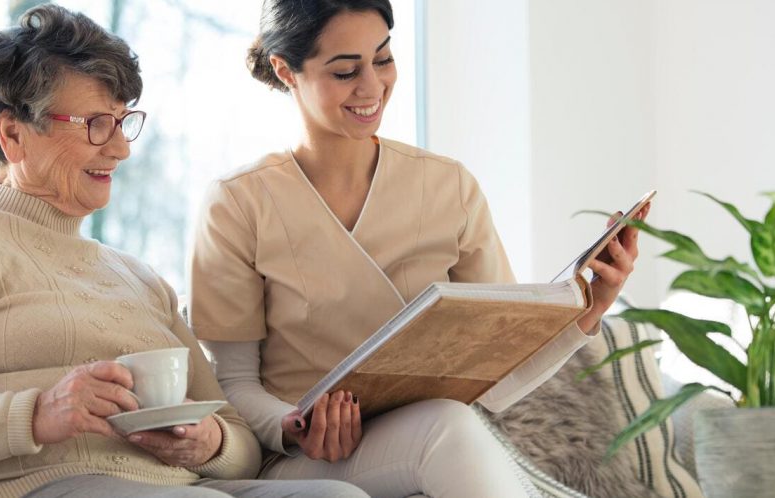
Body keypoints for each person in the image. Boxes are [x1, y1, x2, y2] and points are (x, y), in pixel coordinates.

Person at [0, 5, 367, 498]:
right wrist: (37, 414)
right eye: (95, 125)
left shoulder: (138, 277)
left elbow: (238, 438)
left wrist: (209, 444)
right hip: (41, 483)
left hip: (176, 486)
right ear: (14, 134)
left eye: (123, 121)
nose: (120, 148)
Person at [188, 1, 649, 497]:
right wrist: (294, 425)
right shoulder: (238, 202)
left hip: (439, 434)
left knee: (447, 420)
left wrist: (592, 302)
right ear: (286, 70)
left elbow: (503, 374)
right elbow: (232, 384)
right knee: (445, 426)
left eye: (383, 60)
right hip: (306, 462)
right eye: (346, 71)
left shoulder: (449, 186)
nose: (372, 87)